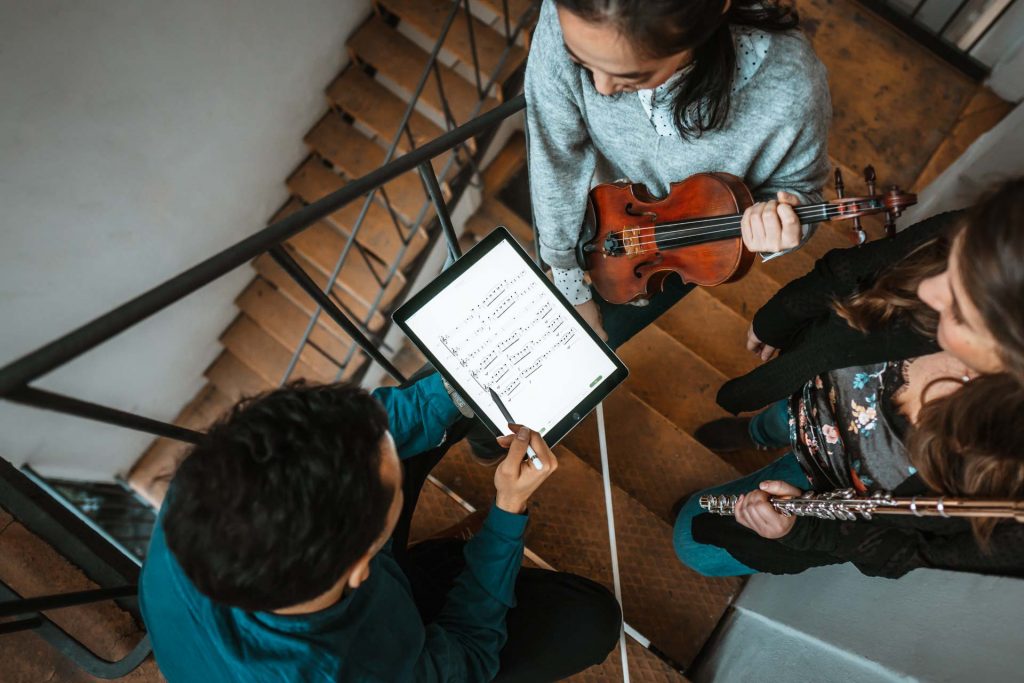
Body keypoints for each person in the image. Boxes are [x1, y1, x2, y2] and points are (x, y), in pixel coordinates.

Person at [139, 373, 621, 681]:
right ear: (360, 568)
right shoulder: (361, 667)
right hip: (395, 649)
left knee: (433, 405)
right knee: (592, 620)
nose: (384, 439)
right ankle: (442, 559)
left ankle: (436, 554)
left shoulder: (203, 486)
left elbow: (376, 430)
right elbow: (470, 655)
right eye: (390, 494)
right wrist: (506, 514)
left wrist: (454, 386)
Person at [674, 179, 1024, 579]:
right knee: (774, 420)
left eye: (959, 310)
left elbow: (911, 550)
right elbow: (851, 269)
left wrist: (800, 530)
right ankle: (758, 433)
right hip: (811, 396)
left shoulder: (1007, 499)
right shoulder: (1009, 236)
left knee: (692, 541)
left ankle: (766, 436)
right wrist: (782, 315)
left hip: (829, 482)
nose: (926, 288)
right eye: (953, 264)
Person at [525, 0, 832, 348]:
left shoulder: (792, 87)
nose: (601, 89)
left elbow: (799, 189)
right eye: (581, 63)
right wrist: (567, 278)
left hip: (685, 248)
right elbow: (556, 155)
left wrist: (782, 226)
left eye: (633, 76)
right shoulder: (572, 11)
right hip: (594, 212)